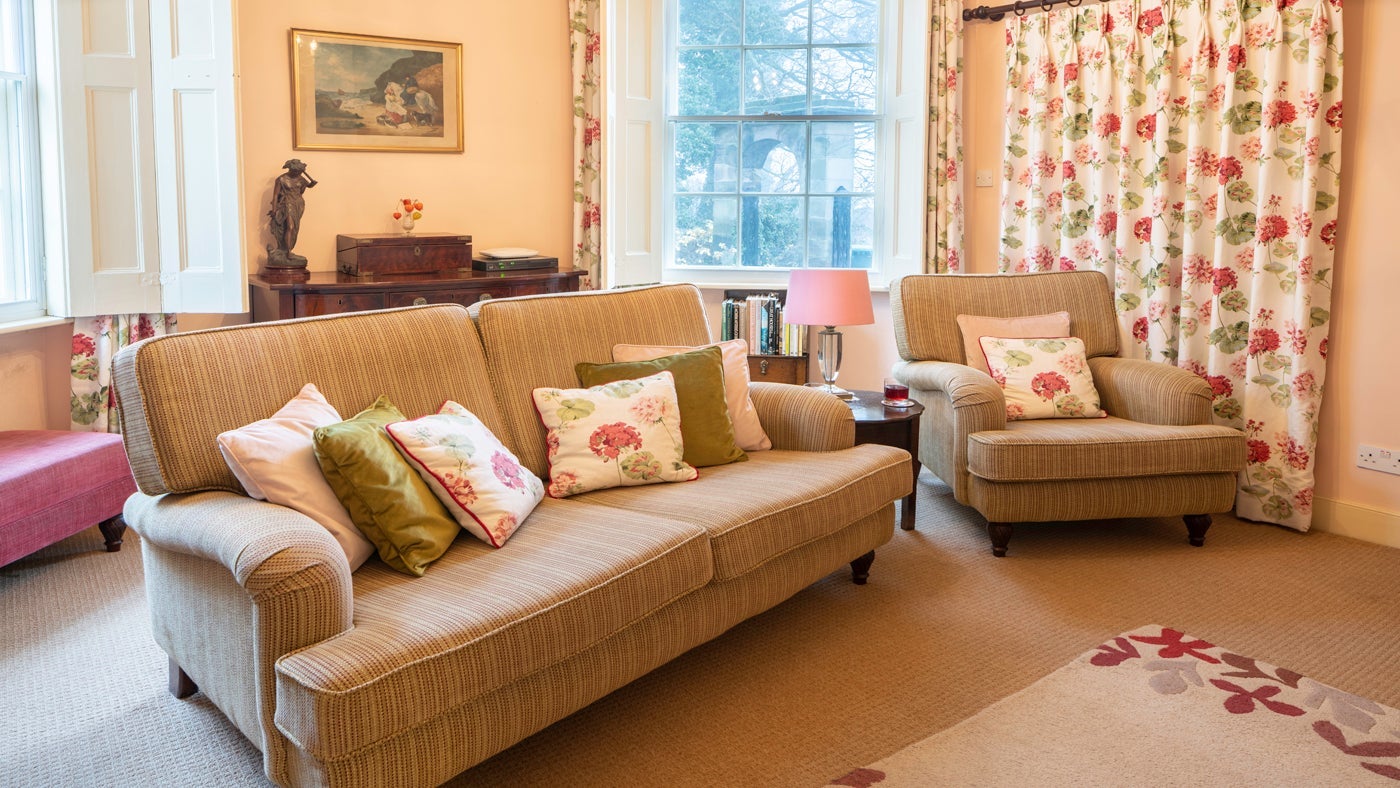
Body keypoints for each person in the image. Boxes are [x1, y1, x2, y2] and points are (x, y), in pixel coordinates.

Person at [267, 159, 317, 266]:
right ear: (291, 169)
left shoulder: (301, 178)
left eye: (300, 172)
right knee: (290, 226)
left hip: (298, 204)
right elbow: (275, 195)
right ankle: (288, 252)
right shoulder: (281, 179)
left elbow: (302, 190)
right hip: (287, 203)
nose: (298, 173)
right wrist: (274, 210)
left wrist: (311, 184)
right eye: (296, 171)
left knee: (295, 228)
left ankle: (286, 250)